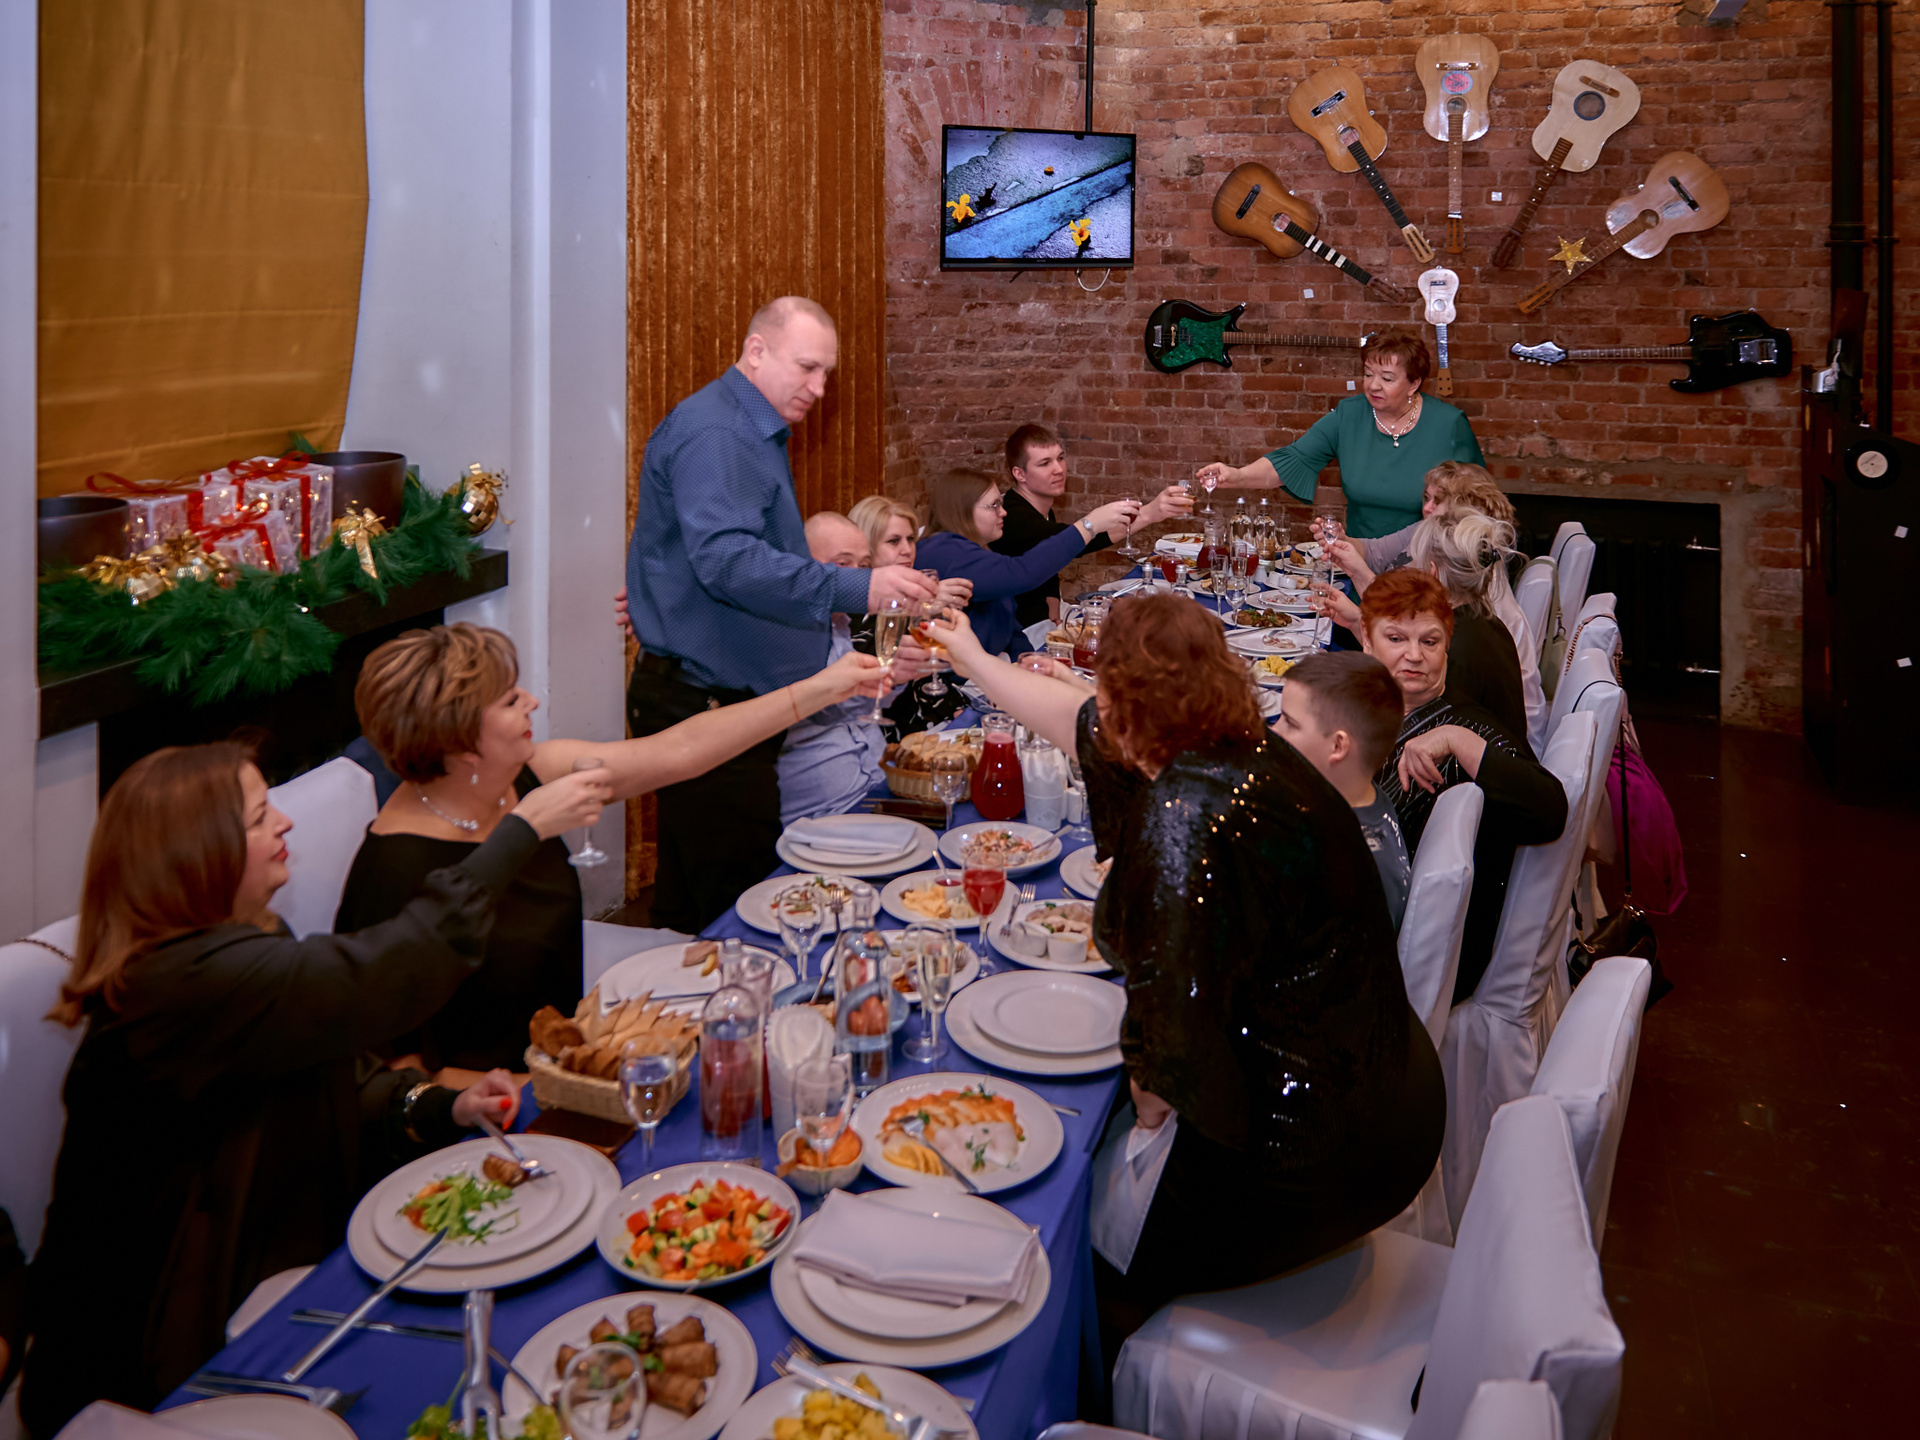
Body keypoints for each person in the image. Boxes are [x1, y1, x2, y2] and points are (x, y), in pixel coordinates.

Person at [21, 741, 606, 1435]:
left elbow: (332, 1076)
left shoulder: (243, 942)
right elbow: (389, 971)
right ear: (198, 854)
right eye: (258, 817)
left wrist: (439, 1105)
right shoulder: (182, 983)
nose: (285, 822)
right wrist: (520, 831)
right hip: (156, 1363)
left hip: (264, 1279)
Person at [928, 596, 1443, 1369]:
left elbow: (1166, 1071)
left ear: (1125, 708)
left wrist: (1138, 1122)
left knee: (1063, 1224)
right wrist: (973, 658)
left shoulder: (1184, 812)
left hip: (1314, 1157)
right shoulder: (1253, 749)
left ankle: (1105, 1369)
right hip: (1392, 1100)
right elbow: (1078, 722)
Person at [335, 622, 886, 1072]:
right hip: (496, 1110)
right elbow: (390, 1067)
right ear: (461, 743)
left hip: (571, 1048)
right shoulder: (393, 868)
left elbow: (680, 751)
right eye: (510, 700)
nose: (531, 701)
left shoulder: (522, 778)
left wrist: (821, 689)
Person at [623, 296, 936, 930]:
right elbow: (728, 560)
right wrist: (859, 587)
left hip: (715, 690)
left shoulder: (745, 425)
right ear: (756, 351)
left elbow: (703, 557)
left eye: (827, 373)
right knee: (744, 909)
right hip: (708, 699)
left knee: (692, 904)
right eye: (807, 368)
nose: (819, 388)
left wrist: (662, 597)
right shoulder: (722, 431)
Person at [1361, 570, 1570, 1002]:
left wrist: (1459, 741)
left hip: (1412, 959)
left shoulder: (1465, 723)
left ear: (1447, 645)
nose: (1414, 655)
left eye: (1429, 641)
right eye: (1395, 639)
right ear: (1366, 641)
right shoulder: (1376, 711)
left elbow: (1550, 810)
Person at [1322, 462, 1546, 753]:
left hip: (1470, 767)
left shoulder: (1451, 645)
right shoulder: (1481, 620)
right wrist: (1356, 622)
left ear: (1433, 573)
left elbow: (1405, 714)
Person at [1194, 329, 1484, 538]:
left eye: (1387, 378)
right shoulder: (1349, 414)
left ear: (1414, 384)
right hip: (1361, 559)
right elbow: (1293, 460)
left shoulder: (1448, 424)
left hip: (1429, 564)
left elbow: (1479, 504)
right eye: (1368, 374)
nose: (1373, 385)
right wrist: (1237, 475)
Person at [776, 513, 937, 822]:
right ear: (802, 565)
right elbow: (814, 711)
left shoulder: (839, 622)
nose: (856, 578)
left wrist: (893, 678)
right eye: (842, 564)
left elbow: (851, 706)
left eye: (863, 567)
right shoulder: (782, 629)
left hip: (879, 788)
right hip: (826, 811)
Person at [916, 469, 1140, 658]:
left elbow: (1009, 626)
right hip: (957, 681)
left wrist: (1028, 660)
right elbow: (1022, 573)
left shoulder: (976, 549)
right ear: (963, 511)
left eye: (1001, 503)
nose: (1003, 512)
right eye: (994, 505)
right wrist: (1089, 525)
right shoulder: (942, 550)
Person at [992, 424, 1194, 627]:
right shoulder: (1012, 515)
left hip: (1043, 613)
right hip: (1018, 627)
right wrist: (1143, 514)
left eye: (1060, 458)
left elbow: (1048, 554)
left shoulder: (1037, 506)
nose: (1059, 469)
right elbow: (1069, 542)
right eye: (1045, 463)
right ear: (1020, 474)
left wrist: (1052, 595)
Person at [1276, 652, 1413, 930]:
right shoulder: (1357, 792)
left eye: (1289, 723)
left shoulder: (1346, 869)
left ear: (1338, 746)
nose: (1273, 731)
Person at [847, 498, 975, 737]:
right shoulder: (851, 605)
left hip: (935, 717)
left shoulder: (913, 589)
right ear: (866, 547)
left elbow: (928, 677)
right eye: (894, 541)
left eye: (910, 539)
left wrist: (954, 708)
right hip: (884, 733)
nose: (907, 549)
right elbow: (876, 672)